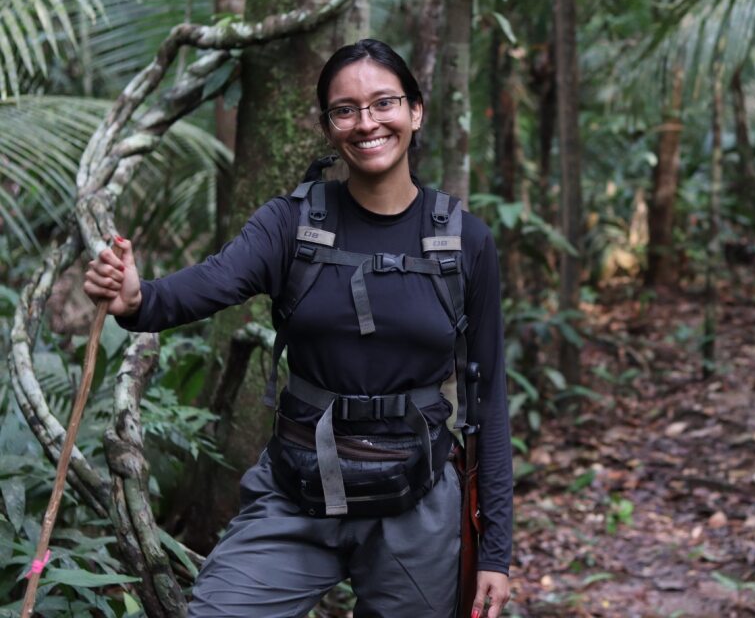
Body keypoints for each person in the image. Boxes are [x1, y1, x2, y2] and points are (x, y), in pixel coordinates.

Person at [84, 39, 512, 618]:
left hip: (418, 501)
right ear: (327, 125)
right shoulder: (292, 224)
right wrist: (138, 298)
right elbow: (212, 283)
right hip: (299, 489)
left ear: (416, 111)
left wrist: (495, 552)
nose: (366, 123)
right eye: (345, 109)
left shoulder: (466, 240)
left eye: (384, 103)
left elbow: (488, 404)